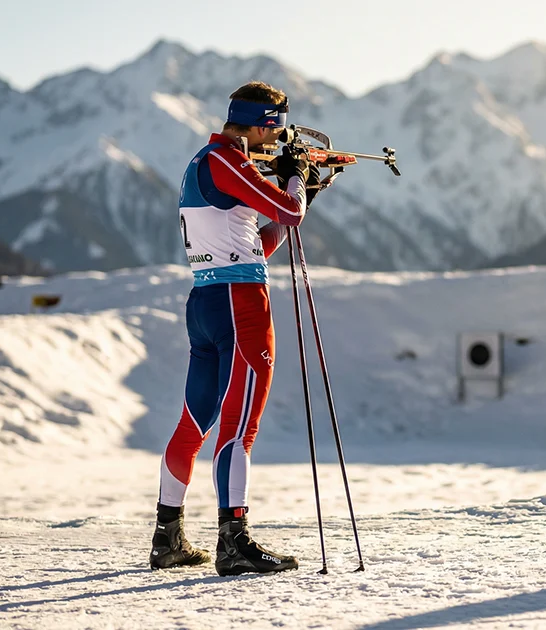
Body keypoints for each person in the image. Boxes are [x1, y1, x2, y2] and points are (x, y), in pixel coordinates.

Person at [150, 81, 317, 576]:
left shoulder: (203, 163)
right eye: (278, 129)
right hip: (240, 305)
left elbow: (254, 243)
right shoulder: (229, 161)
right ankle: (234, 540)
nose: (279, 142)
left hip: (206, 297)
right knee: (240, 428)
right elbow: (288, 210)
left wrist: (299, 189)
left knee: (194, 422)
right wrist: (297, 183)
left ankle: (169, 536)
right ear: (266, 121)